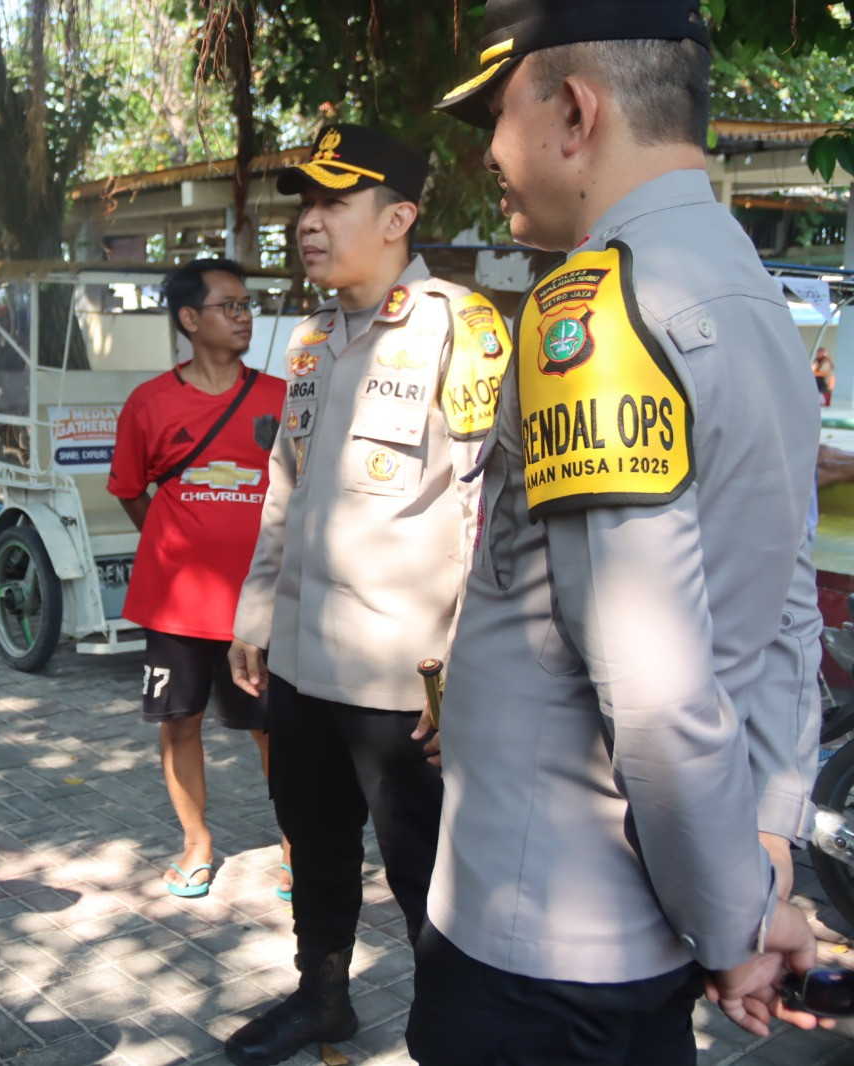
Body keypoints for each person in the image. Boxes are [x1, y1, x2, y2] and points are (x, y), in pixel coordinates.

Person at [410, 2, 828, 1060]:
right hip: (642, 925)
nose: (490, 155)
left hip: (542, 942)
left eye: (497, 116)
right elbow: (786, 607)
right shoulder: (756, 301)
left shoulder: (592, 318)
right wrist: (764, 849)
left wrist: (735, 930)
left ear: (574, 112)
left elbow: (654, 688)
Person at [223, 124, 513, 1065]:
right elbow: (285, 485)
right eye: (304, 206)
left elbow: (487, 509)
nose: (308, 224)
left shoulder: (459, 328)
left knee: (427, 867)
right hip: (304, 662)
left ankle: (452, 1031)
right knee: (312, 841)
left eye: (332, 204)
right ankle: (322, 997)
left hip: (405, 678)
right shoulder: (311, 340)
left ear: (398, 218)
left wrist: (470, 667)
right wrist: (255, 613)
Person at [106, 258, 290, 900]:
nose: (243, 316)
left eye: (246, 305)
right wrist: (174, 542)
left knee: (273, 727)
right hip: (177, 606)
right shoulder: (150, 403)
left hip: (259, 604)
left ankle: (296, 846)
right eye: (228, 305)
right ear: (189, 318)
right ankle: (196, 844)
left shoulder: (281, 398)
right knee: (179, 722)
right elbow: (130, 490)